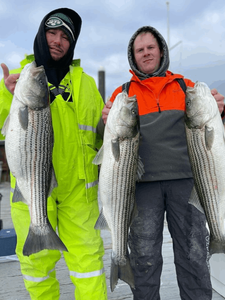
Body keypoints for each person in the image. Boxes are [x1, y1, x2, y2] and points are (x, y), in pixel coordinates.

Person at [101, 26, 225, 300]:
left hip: (187, 183)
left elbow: (211, 134)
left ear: (161, 51)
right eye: (139, 50)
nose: (145, 53)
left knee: (193, 256)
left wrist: (220, 111)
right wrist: (104, 122)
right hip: (141, 188)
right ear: (132, 56)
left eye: (150, 48)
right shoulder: (123, 95)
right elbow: (109, 145)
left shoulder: (186, 87)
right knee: (144, 259)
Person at [0, 8, 108, 300]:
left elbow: (101, 135)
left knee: (89, 266)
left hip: (79, 194)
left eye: (65, 37)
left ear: (71, 45)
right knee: (37, 268)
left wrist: (108, 122)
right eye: (52, 33)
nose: (58, 41)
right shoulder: (18, 80)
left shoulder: (86, 83)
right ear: (40, 33)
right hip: (33, 189)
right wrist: (6, 95)